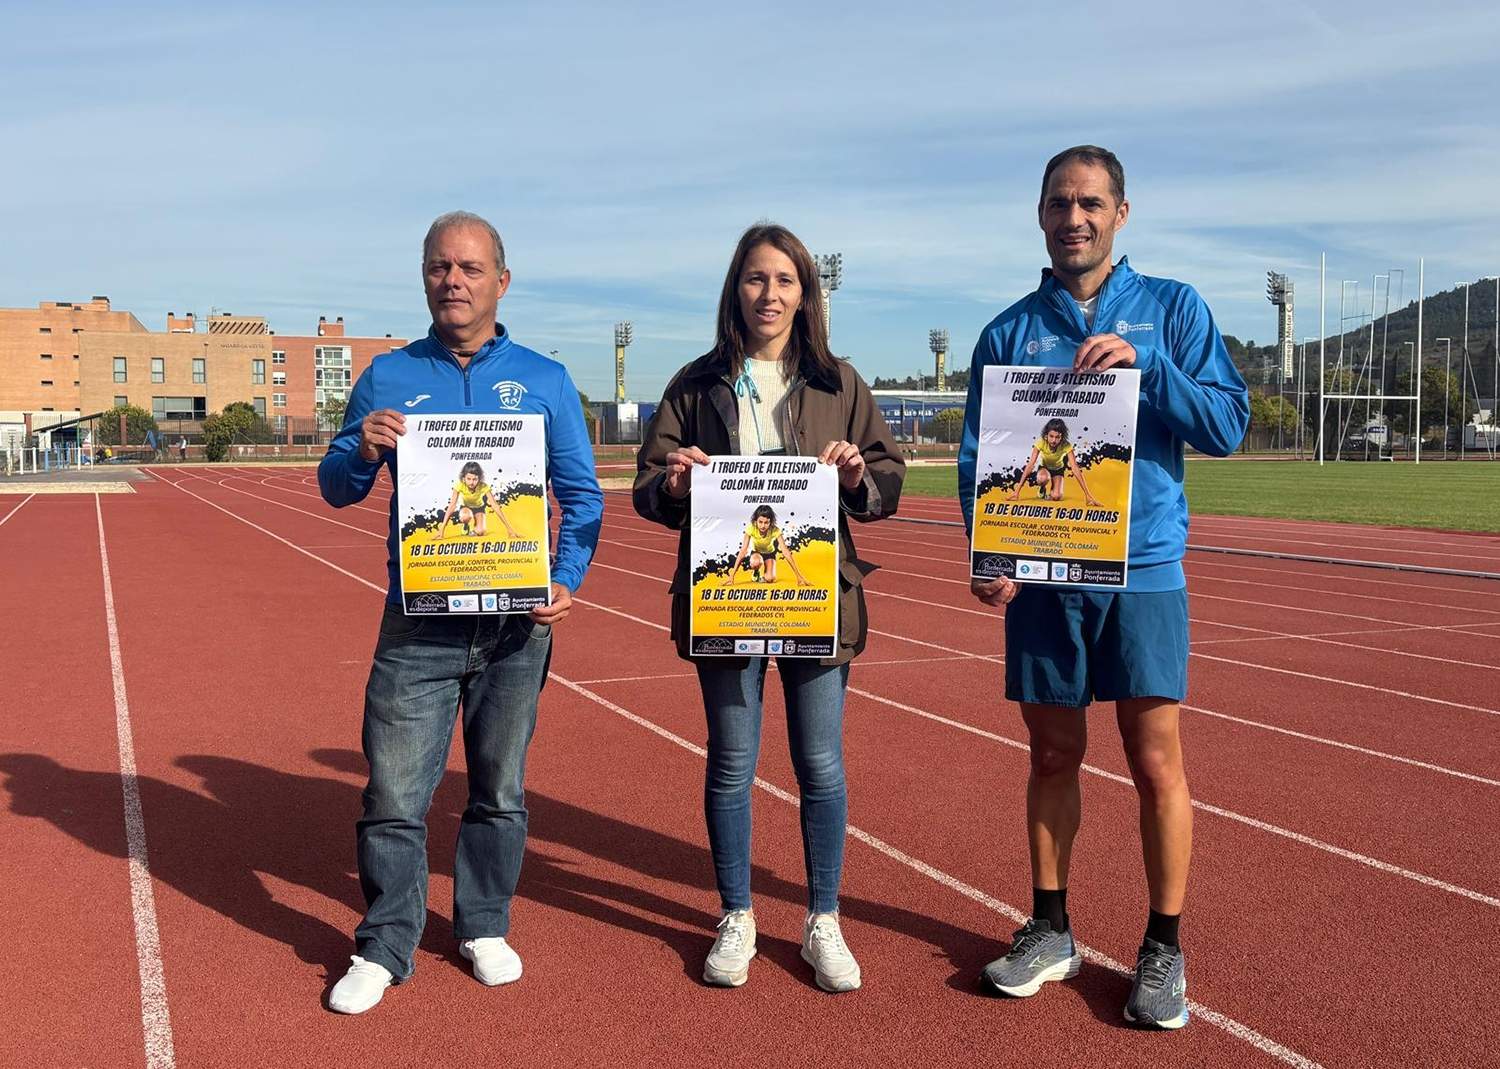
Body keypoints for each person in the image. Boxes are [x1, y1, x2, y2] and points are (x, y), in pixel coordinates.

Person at [957, 146, 1248, 1029]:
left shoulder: (1174, 308)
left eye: (1090, 202)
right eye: (1058, 202)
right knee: (1050, 754)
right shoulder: (1008, 331)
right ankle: (1051, 928)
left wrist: (1151, 372)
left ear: (1122, 212)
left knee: (1155, 759)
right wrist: (989, 549)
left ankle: (1164, 946)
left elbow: (1229, 424)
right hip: (1045, 573)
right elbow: (981, 456)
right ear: (1039, 214)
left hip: (1145, 568)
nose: (1073, 217)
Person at [318, 210, 603, 1015]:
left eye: (471, 268)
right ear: (424, 278)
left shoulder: (545, 380)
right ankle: (385, 941)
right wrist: (361, 446)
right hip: (419, 623)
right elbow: (336, 487)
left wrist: (568, 576)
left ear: (500, 281)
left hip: (514, 626)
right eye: (441, 267)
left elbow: (579, 496)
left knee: (500, 788)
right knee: (394, 792)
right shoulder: (384, 375)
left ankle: (482, 921)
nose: (454, 280)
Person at [635, 222, 905, 993]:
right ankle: (738, 914)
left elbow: (885, 483)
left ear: (806, 294)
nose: (770, 294)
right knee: (731, 764)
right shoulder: (695, 382)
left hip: (815, 599)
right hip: (726, 601)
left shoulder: (838, 382)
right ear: (736, 288)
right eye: (756, 279)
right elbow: (648, 485)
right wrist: (675, 484)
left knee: (819, 763)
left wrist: (857, 477)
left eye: (785, 280)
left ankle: (823, 918)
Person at [1010, 418, 1100, 505]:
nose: (1054, 440)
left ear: (1062, 437)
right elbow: (1030, 465)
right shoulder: (1041, 443)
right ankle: (1042, 488)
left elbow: (1075, 468)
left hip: (1058, 470)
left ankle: (1052, 491)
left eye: (1057, 437)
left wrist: (1088, 495)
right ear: (1046, 435)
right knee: (1042, 479)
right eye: (1051, 436)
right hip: (1044, 469)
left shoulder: (1066, 445)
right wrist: (1017, 491)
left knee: (1057, 496)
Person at [723, 505, 807, 586]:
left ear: (771, 522)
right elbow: (743, 550)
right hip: (756, 553)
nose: (763, 526)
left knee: (770, 579)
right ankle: (756, 571)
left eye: (766, 522)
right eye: (760, 522)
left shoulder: (775, 530)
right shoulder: (751, 528)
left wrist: (799, 576)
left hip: (769, 554)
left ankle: (765, 574)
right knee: (756, 562)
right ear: (755, 521)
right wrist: (732, 575)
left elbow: (786, 552)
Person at [436, 461, 519, 541]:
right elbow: (452, 506)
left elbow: (495, 506)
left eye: (475, 479)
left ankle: (475, 529)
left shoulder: (483, 486)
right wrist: (442, 529)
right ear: (463, 478)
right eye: (469, 479)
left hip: (479, 508)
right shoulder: (459, 485)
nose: (471, 482)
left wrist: (509, 529)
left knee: (481, 531)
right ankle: (466, 524)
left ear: (479, 479)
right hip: (466, 509)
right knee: (466, 516)